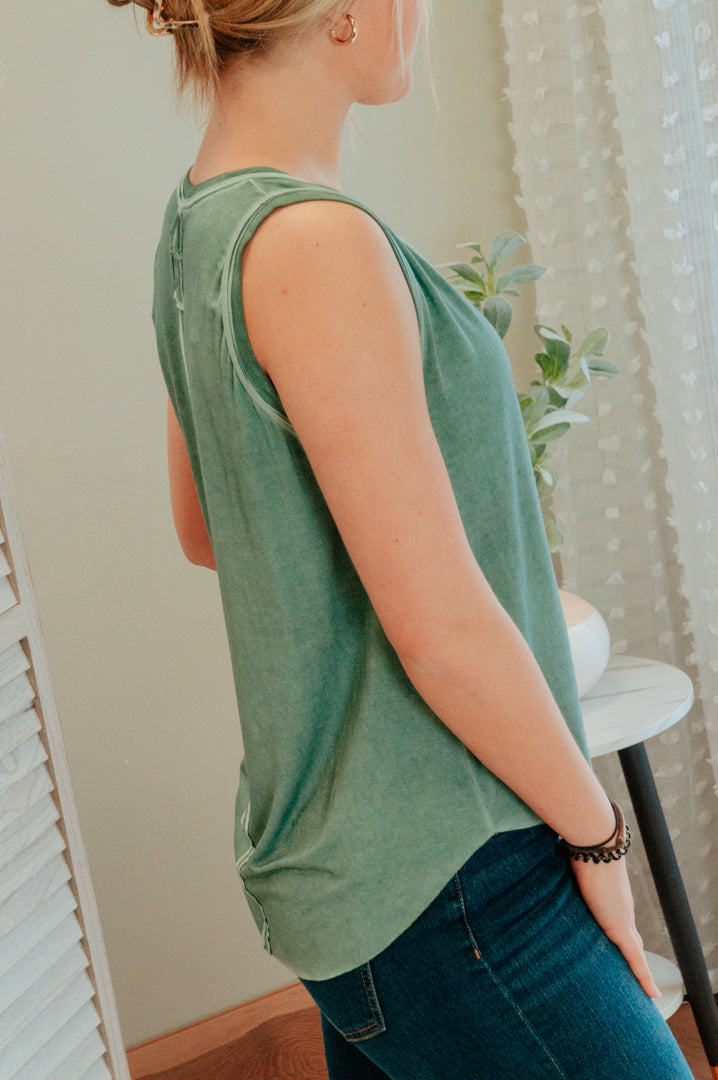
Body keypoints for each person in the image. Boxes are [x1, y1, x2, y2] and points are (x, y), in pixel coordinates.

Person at [109, 1, 695, 1076]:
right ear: (345, 11)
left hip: (357, 875)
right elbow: (442, 631)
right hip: (458, 871)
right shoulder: (316, 242)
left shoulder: (198, 221)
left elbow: (207, 528)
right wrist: (598, 833)